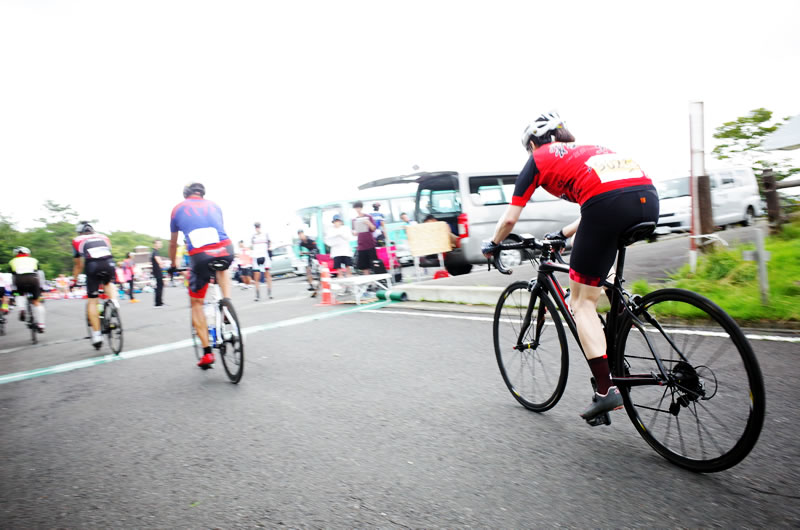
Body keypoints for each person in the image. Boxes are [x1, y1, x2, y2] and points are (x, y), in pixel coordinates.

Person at [482, 112, 659, 421]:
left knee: (580, 302)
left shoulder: (539, 158)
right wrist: (562, 234)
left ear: (535, 143)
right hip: (646, 198)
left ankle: (606, 392)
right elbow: (595, 204)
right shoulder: (588, 151)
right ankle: (622, 312)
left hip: (607, 204)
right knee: (600, 274)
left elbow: (510, 219)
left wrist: (494, 244)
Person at [169, 182, 234, 369]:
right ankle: (226, 304)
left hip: (200, 254)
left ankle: (207, 353)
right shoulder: (215, 205)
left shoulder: (177, 209)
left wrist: (173, 265)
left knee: (196, 303)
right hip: (226, 248)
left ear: (186, 194)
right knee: (223, 266)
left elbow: (173, 244)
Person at [72, 222, 118, 348]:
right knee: (108, 282)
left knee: (93, 301)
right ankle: (113, 302)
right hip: (109, 263)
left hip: (92, 265)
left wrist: (74, 281)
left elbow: (78, 265)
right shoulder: (103, 237)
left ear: (80, 233)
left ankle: (97, 335)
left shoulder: (77, 240)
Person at [9, 247, 46, 332]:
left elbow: (11, 276)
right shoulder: (34, 260)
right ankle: (41, 325)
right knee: (37, 302)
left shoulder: (12, 261)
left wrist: (13, 289)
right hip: (33, 279)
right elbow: (40, 273)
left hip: (19, 279)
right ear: (28, 253)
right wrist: (41, 287)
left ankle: (21, 309)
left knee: (19, 294)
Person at [351, 201, 377, 274]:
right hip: (361, 244)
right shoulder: (354, 220)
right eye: (356, 208)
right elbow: (354, 233)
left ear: (361, 208)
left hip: (370, 243)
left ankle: (377, 281)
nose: (357, 209)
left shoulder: (368, 217)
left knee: (374, 263)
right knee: (364, 265)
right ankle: (369, 282)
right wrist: (354, 233)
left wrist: (368, 223)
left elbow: (373, 229)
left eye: (359, 207)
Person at [251, 222, 273, 300]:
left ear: (260, 226)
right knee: (257, 276)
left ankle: (269, 293)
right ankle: (257, 295)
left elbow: (270, 243)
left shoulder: (265, 234)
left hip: (265, 256)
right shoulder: (253, 236)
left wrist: (269, 250)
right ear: (255, 227)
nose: (257, 228)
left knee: (267, 275)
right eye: (256, 226)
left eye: (258, 226)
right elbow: (252, 246)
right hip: (256, 257)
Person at [151, 239, 165, 307]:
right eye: (159, 243)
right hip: (157, 272)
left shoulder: (154, 252)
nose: (160, 245)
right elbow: (159, 261)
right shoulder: (155, 252)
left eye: (160, 243)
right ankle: (158, 303)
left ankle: (159, 302)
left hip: (156, 272)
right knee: (159, 286)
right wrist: (162, 263)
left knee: (159, 286)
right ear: (155, 244)